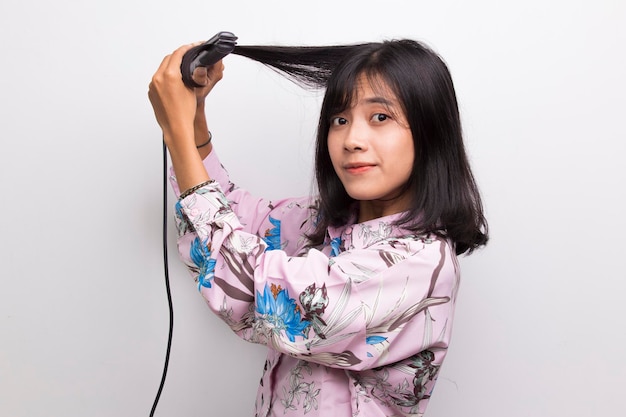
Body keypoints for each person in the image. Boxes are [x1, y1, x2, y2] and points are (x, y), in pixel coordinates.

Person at [148, 38, 488, 417]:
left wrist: (176, 134)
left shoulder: (420, 264)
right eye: (340, 120)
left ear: (430, 134)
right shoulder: (326, 225)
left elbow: (252, 286)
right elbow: (233, 217)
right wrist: (193, 121)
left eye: (380, 117)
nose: (352, 140)